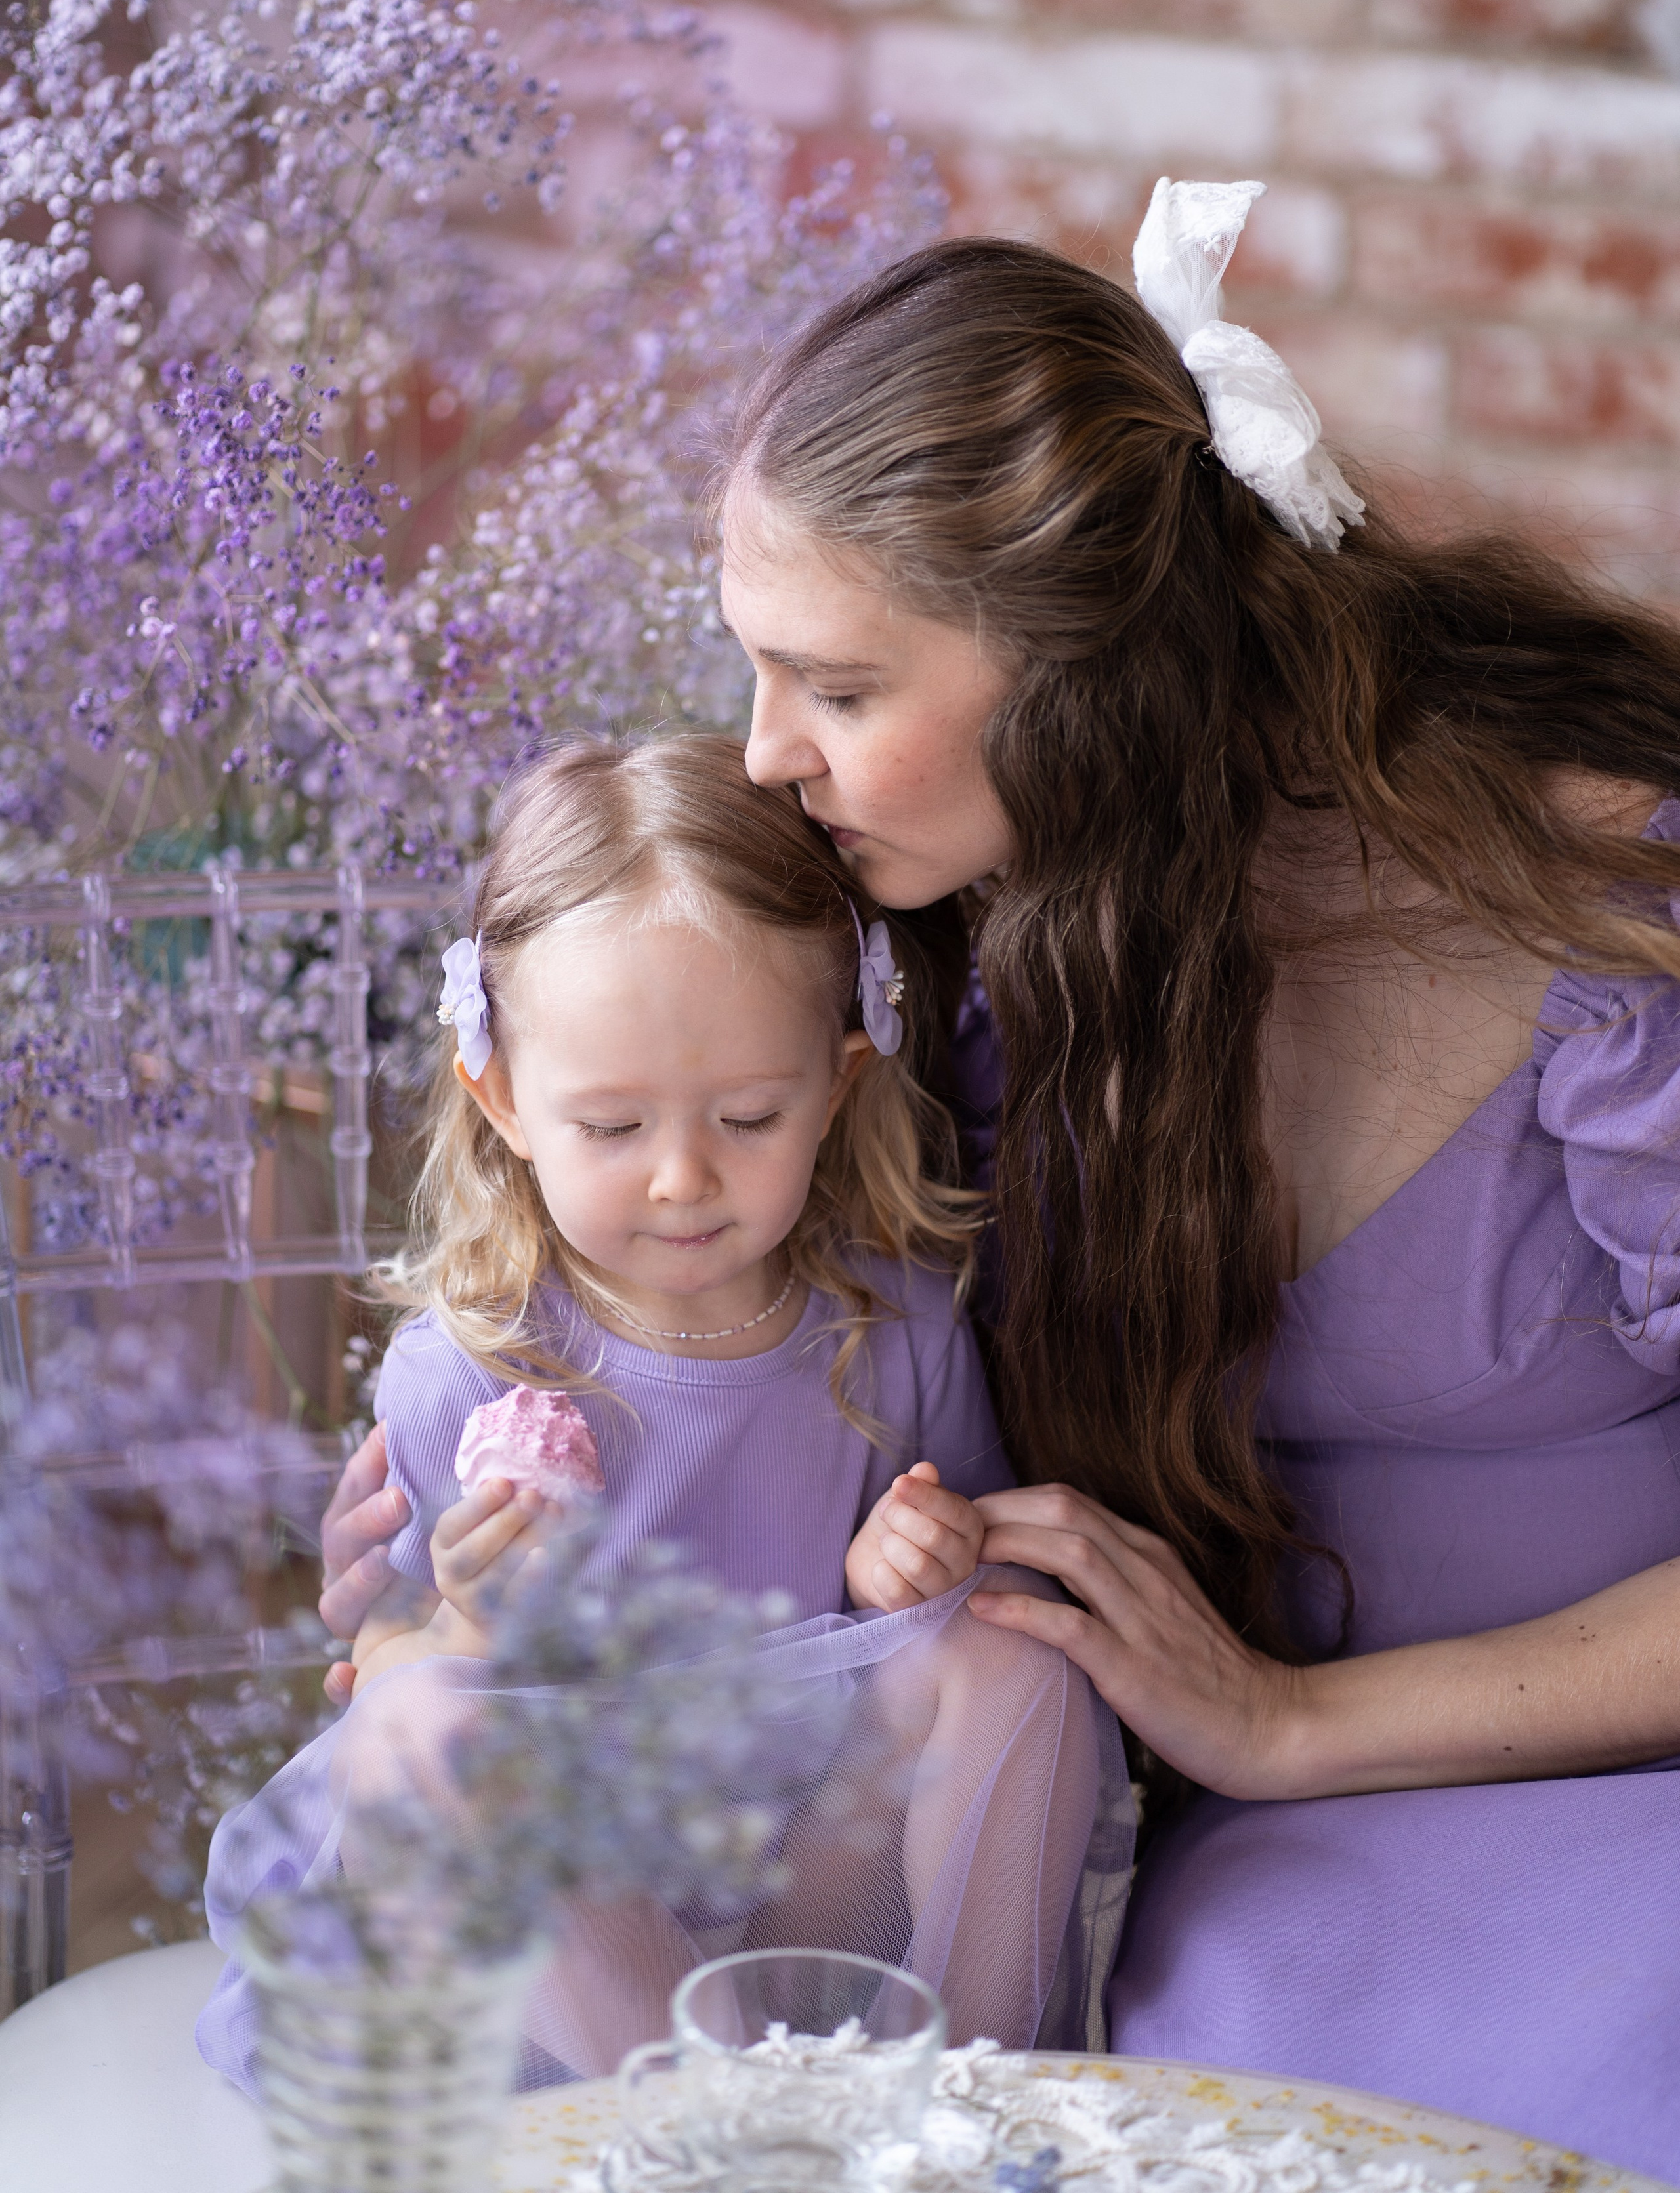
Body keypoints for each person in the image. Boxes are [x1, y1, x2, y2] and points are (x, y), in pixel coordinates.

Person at [318, 178, 1680, 2180]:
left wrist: (1291, 1724)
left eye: (841, 689)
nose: (765, 755)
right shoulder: (975, 942)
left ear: (1084, 679)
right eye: (757, 668)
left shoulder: (1601, 915)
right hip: (1254, 1845)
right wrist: (457, 1591)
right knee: (1198, 2101)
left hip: (1603, 1790)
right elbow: (787, 1392)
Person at [200, 733, 1118, 2091]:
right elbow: (394, 1671)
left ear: (836, 1084)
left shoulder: (895, 1325)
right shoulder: (473, 1367)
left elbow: (980, 1587)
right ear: (505, 1101)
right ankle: (715, 2138)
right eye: (613, 1129)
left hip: (805, 1882)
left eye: (747, 1118)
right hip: (570, 1950)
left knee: (1014, 1663)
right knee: (426, 1736)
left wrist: (924, 1562)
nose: (683, 1179)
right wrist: (470, 1616)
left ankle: (963, 2100)